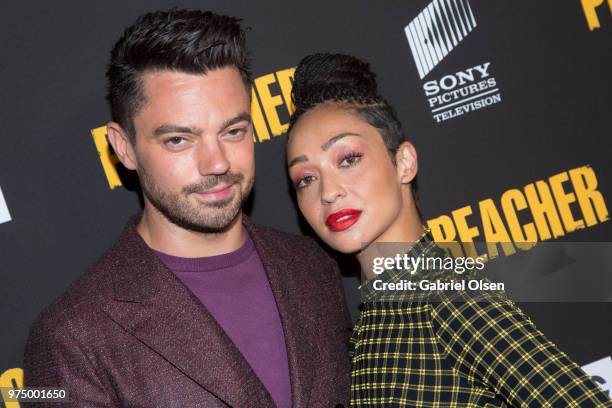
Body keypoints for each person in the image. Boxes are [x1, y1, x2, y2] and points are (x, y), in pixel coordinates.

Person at [23, 10, 351, 407]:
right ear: (124, 147)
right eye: (179, 139)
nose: (217, 163)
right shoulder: (73, 337)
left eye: (233, 131)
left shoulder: (313, 266)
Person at [285, 53, 612, 407]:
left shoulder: (449, 297)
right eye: (306, 179)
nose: (328, 191)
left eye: (348, 159)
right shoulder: (375, 319)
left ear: (404, 163)